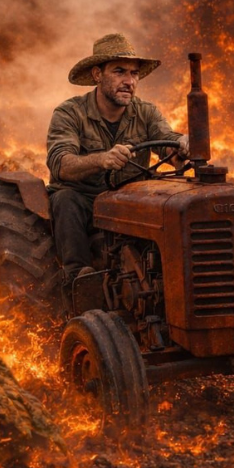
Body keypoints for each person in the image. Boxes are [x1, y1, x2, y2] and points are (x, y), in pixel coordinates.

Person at [45, 33, 189, 285]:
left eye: (134, 74)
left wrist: (182, 147)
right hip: (85, 201)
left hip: (129, 200)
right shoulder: (70, 112)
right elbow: (60, 164)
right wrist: (101, 160)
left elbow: (166, 140)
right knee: (65, 199)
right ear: (97, 75)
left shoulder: (146, 112)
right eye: (119, 72)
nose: (129, 81)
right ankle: (79, 280)